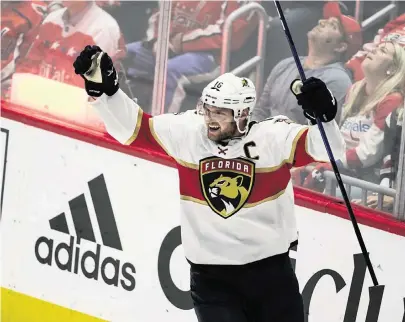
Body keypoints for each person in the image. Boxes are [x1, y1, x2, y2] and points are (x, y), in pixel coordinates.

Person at [73, 45, 345, 322]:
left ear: (241, 115)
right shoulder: (188, 132)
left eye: (220, 113)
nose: (210, 119)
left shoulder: (273, 137)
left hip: (271, 275)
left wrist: (325, 116)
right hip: (212, 279)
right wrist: (105, 92)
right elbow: (133, 130)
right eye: (208, 109)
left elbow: (329, 149)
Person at [295, 41, 405, 197]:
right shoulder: (355, 90)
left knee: (331, 194)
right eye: (377, 47)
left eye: (383, 51)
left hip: (366, 180)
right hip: (340, 169)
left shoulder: (392, 100)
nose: (374, 50)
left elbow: (368, 153)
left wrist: (331, 164)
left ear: (392, 68)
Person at [123, 0, 259, 114]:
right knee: (126, 53)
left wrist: (181, 42)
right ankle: (123, 118)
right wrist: (158, 39)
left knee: (171, 70)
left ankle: (160, 131)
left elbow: (231, 34)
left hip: (211, 54)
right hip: (170, 44)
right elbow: (162, 12)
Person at [252, 1, 361, 125]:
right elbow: (260, 111)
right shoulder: (285, 64)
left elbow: (318, 133)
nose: (321, 22)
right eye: (325, 19)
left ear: (341, 47)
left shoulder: (337, 81)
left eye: (333, 26)